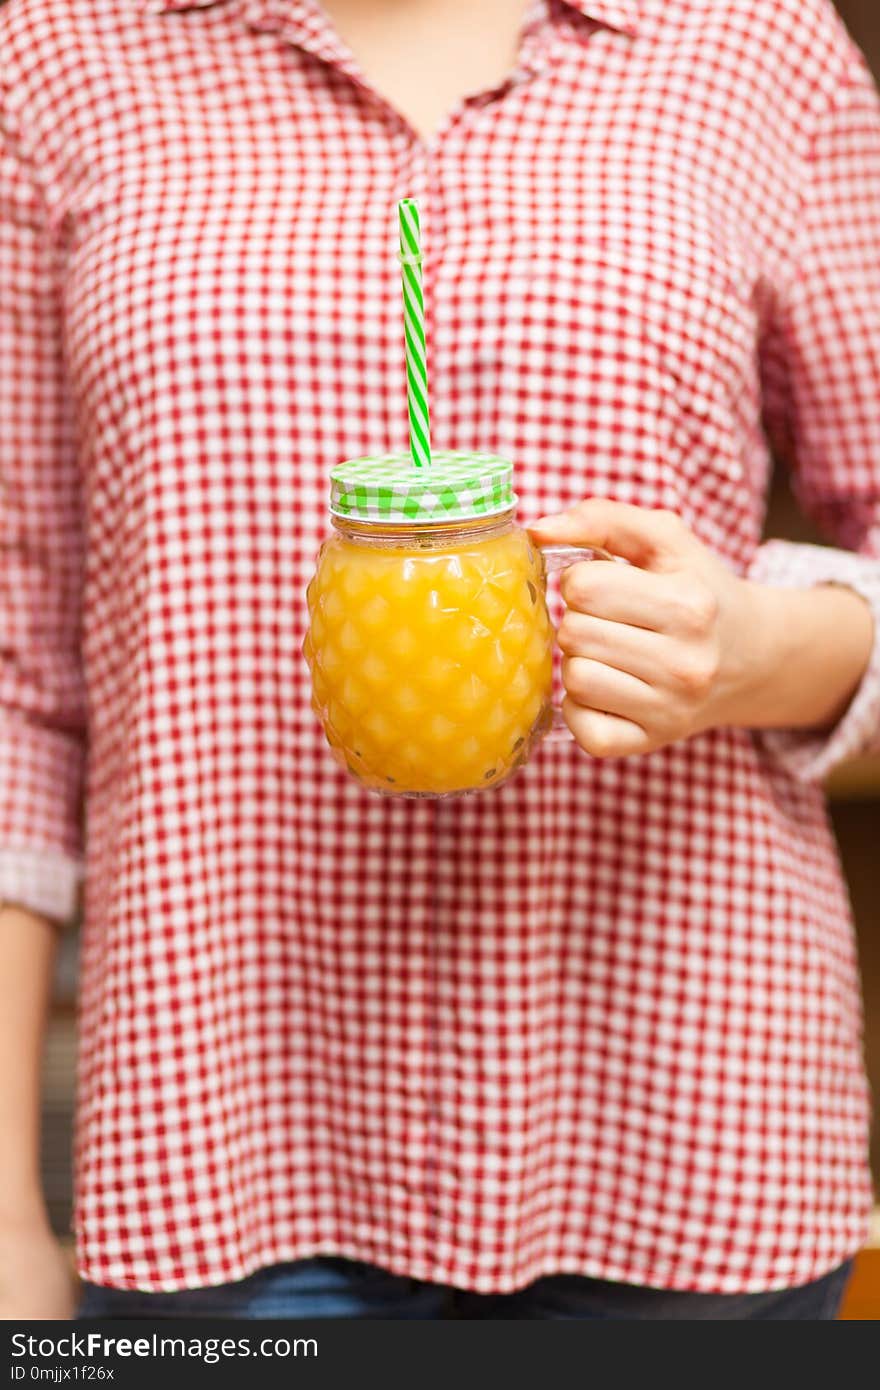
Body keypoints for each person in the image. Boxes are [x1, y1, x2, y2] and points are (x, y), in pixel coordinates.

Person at [1, 0, 878, 1322]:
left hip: (680, 1118)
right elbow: (17, 679)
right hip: (223, 1131)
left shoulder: (756, 40)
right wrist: (6, 1210)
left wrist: (758, 647)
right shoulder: (54, 54)